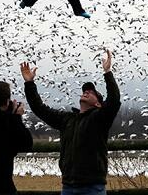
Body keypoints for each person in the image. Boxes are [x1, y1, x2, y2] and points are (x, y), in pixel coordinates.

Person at [20, 50, 120, 195]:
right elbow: (39, 109)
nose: (87, 92)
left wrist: (108, 72)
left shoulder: (99, 119)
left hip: (92, 187)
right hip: (68, 186)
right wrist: (29, 83)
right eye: (85, 90)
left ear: (98, 104)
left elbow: (114, 101)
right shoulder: (66, 119)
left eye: (92, 93)